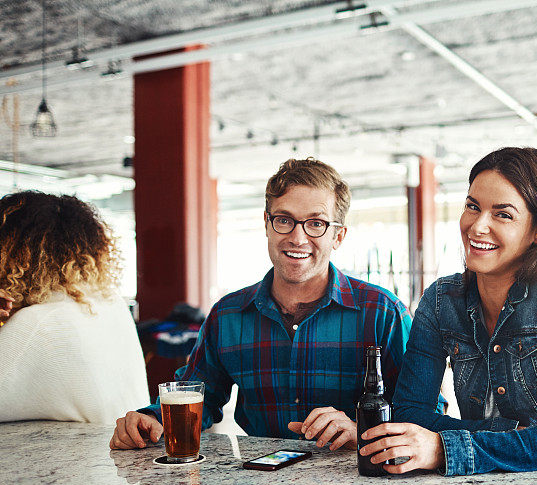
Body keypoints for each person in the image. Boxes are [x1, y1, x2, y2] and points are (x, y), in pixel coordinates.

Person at [110, 158, 417, 452]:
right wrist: (150, 420)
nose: (298, 238)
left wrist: (359, 431)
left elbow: (422, 411)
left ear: (338, 236)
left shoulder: (382, 313)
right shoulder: (228, 316)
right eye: (284, 220)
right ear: (268, 226)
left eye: (316, 223)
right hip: (261, 484)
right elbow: (196, 397)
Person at [359, 147, 537, 475]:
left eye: (503, 214)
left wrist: (444, 447)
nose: (477, 226)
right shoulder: (441, 299)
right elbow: (410, 414)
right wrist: (508, 434)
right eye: (472, 206)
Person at [0, 191, 149, 424]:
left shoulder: (36, 324)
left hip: (81, 459)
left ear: (11, 255)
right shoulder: (109, 303)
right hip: (127, 456)